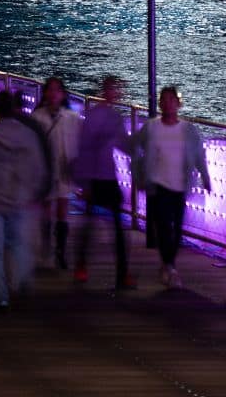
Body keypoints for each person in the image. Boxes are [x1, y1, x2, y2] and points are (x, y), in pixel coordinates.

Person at [0, 90, 48, 311]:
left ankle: (0, 295)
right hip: (21, 199)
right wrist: (34, 191)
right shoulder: (28, 136)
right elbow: (38, 168)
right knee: (19, 244)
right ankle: (20, 282)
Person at [129, 85, 209, 289]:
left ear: (178, 104)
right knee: (164, 227)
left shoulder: (188, 130)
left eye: (172, 100)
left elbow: (199, 154)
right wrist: (139, 172)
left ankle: (167, 264)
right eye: (164, 100)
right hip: (157, 184)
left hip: (180, 185)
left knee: (177, 229)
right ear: (160, 104)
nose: (168, 104)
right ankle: (170, 266)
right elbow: (134, 145)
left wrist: (205, 177)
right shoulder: (151, 127)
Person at [73, 75, 135, 290]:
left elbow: (122, 144)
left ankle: (116, 271)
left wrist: (138, 148)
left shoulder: (109, 116)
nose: (115, 93)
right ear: (106, 90)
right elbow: (85, 149)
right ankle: (119, 272)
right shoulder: (97, 116)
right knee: (101, 225)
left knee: (106, 225)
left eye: (117, 89)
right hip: (97, 177)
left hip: (106, 176)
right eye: (113, 89)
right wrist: (84, 183)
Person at [29, 78, 80, 271]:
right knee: (47, 208)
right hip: (44, 168)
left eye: (57, 90)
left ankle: (60, 250)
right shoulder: (37, 117)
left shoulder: (72, 117)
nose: (53, 94)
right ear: (44, 93)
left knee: (62, 209)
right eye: (50, 90)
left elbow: (77, 144)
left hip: (64, 168)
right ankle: (46, 246)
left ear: (63, 94)